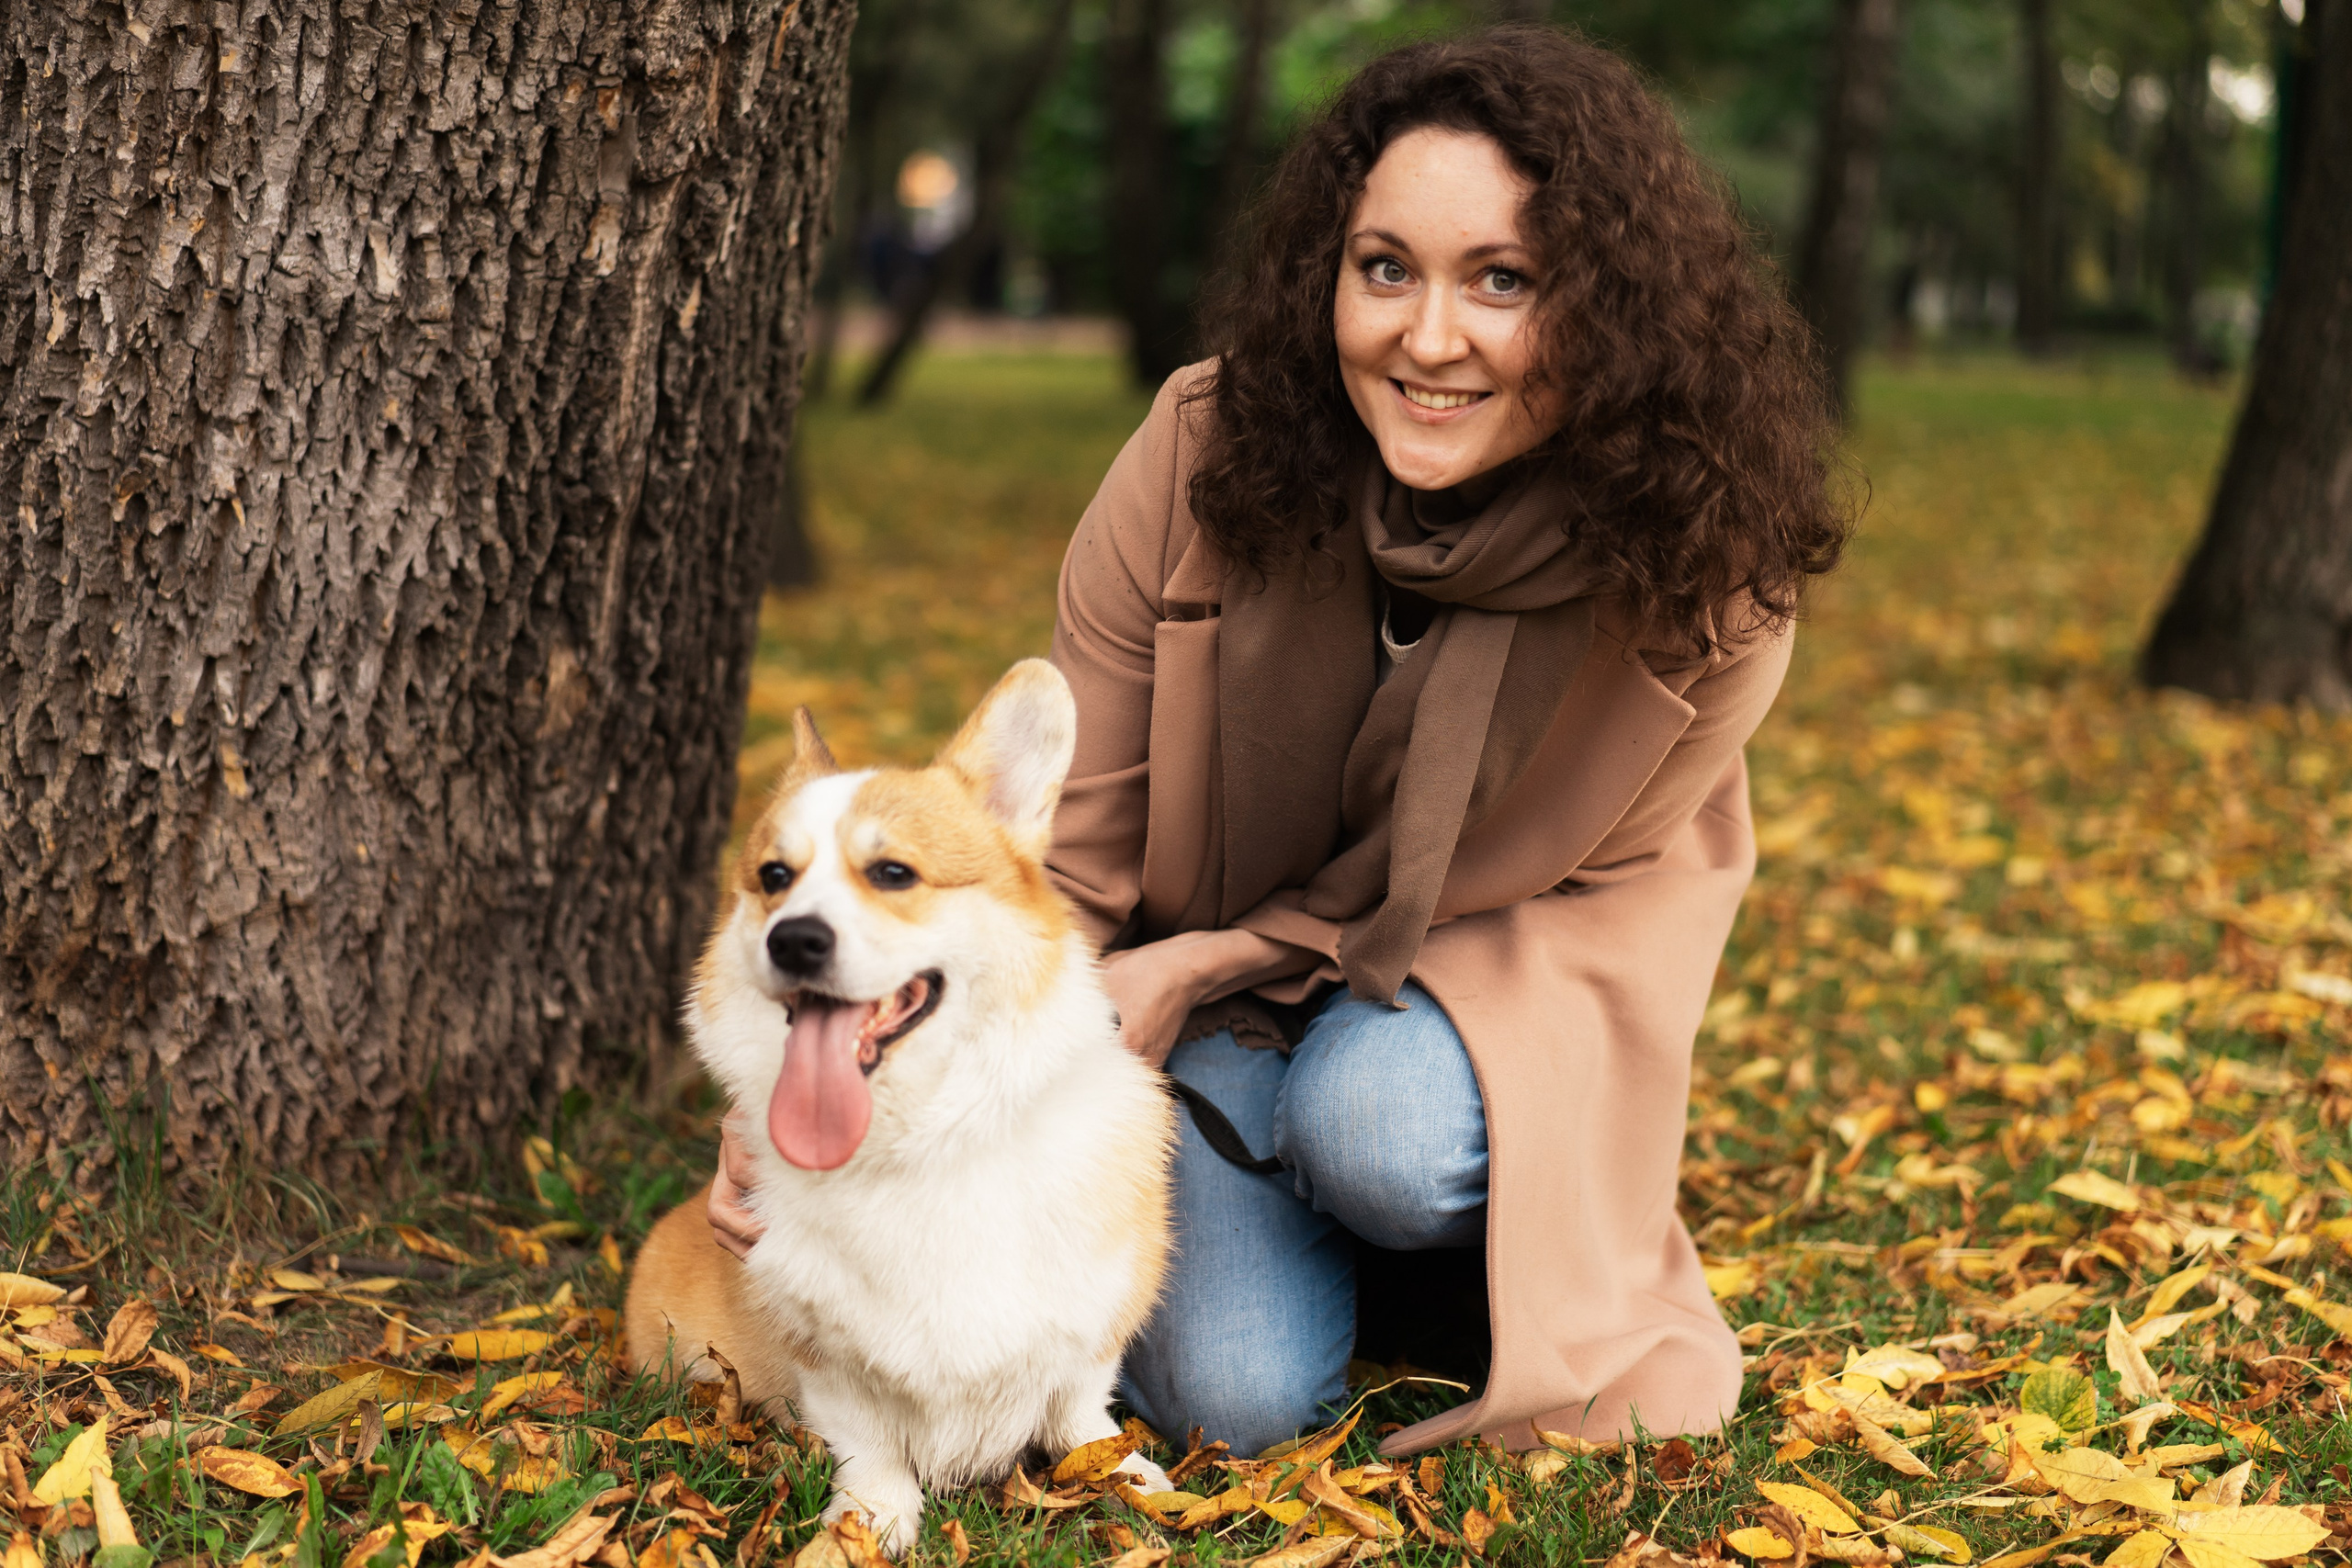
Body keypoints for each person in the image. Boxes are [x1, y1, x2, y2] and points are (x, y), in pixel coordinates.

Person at [707, 24, 1848, 1460]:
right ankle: (1329, 1213)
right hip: (1218, 1027)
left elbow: (1520, 882)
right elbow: (1079, 850)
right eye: (1387, 270)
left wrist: (1213, 958)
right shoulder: (1203, 448)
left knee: (1374, 1121)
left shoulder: (1713, 577)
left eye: (1504, 281)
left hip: (1505, 975)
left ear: (1610, 308)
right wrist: (814, 1077)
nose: (1430, 338)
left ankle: (1465, 1232)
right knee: (1234, 1398)